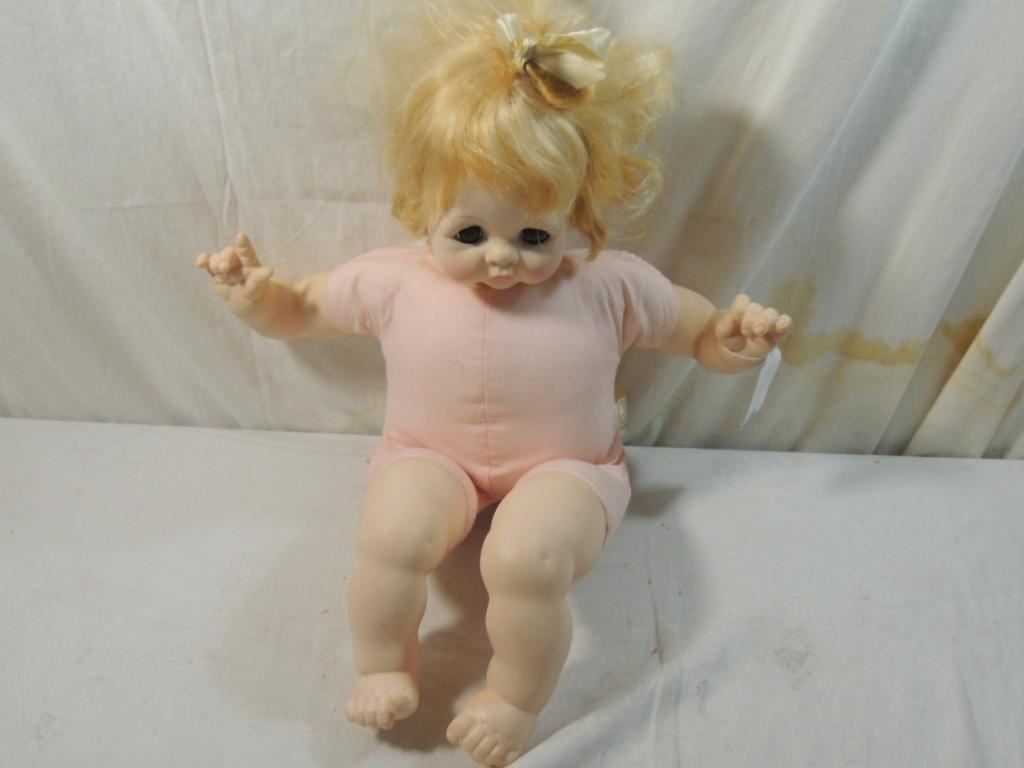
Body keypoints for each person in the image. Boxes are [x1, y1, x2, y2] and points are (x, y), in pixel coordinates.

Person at [197, 3, 790, 765]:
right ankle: (383, 664)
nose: (501, 258)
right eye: (470, 233)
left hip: (567, 466)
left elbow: (698, 333)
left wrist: (735, 342)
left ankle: (514, 698)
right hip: (429, 453)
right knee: (390, 536)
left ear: (576, 219)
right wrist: (256, 298)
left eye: (533, 236)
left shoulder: (607, 285)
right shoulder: (394, 280)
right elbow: (303, 310)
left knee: (525, 561)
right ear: (424, 209)